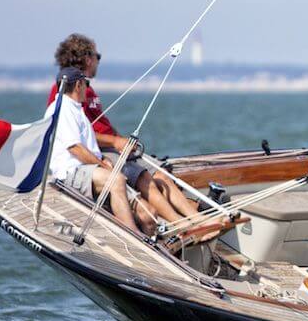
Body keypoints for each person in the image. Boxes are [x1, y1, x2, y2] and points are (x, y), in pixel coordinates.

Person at [47, 34, 202, 229]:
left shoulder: (85, 90)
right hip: (94, 158)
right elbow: (72, 140)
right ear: (88, 59)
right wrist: (114, 144)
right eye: (98, 56)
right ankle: (183, 225)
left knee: (162, 175)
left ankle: (192, 221)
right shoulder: (65, 91)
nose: (98, 62)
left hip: (104, 153)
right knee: (147, 182)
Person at [46, 68, 145, 234]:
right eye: (86, 83)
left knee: (148, 214)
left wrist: (102, 163)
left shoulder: (75, 109)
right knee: (116, 180)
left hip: (88, 171)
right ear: (78, 85)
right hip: (71, 173)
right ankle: (134, 235)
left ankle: (152, 245)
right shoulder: (63, 109)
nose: (87, 88)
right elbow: (75, 148)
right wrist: (102, 165)